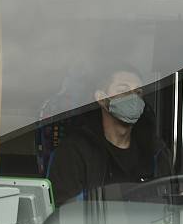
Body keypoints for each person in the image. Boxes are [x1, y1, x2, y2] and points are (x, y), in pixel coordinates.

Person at [47, 67, 172, 205]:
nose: (133, 97)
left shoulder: (156, 152)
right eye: (123, 90)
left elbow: (167, 206)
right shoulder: (74, 151)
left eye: (138, 92)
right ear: (101, 98)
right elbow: (66, 214)